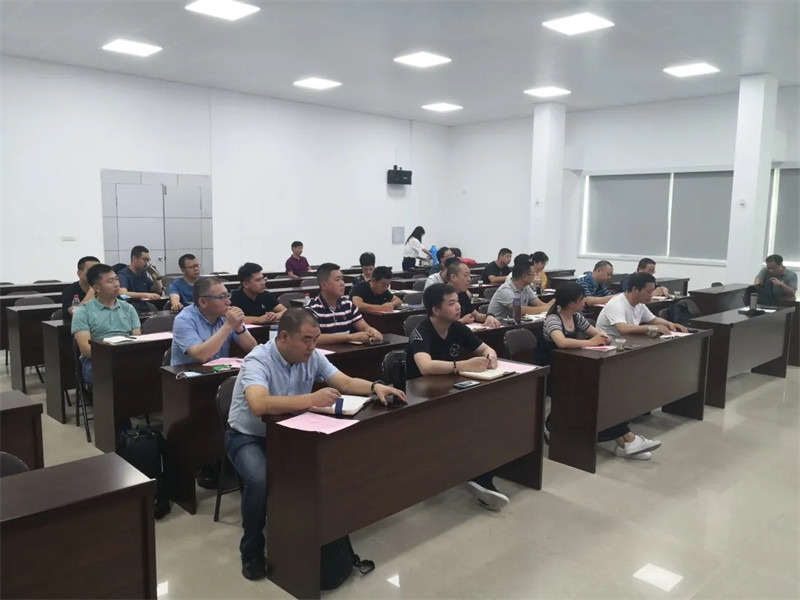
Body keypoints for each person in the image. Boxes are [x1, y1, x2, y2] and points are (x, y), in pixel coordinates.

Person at [225, 308, 406, 580]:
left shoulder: (312, 355)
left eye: (316, 339)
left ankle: (316, 538)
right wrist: (312, 399)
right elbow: (258, 404)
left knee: (329, 467)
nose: (312, 346)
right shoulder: (258, 360)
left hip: (292, 433)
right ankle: (251, 551)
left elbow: (345, 382)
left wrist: (375, 387)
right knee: (260, 480)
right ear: (283, 337)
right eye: (306, 340)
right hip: (247, 436)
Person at [406, 284, 507, 510]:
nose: (458, 307)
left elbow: (486, 348)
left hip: (449, 389)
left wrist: (490, 357)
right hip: (420, 396)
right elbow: (425, 366)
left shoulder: (457, 327)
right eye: (451, 303)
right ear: (436, 309)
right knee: (470, 422)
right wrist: (462, 365)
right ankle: (475, 475)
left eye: (458, 301)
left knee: (488, 415)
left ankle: (480, 475)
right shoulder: (422, 331)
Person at [540, 283, 662, 460]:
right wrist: (590, 343)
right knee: (595, 395)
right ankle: (627, 440)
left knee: (605, 392)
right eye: (581, 299)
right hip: (553, 372)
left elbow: (597, 333)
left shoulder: (576, 317)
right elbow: (562, 342)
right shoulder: (553, 319)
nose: (585, 302)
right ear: (570, 303)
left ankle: (626, 442)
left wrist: (604, 338)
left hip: (571, 369)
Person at [71, 264, 141, 385]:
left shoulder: (128, 308)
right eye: (110, 281)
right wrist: (111, 358)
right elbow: (85, 348)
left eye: (116, 279)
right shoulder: (83, 312)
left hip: (125, 355)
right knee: (115, 375)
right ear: (97, 288)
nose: (116, 284)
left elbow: (137, 337)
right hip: (96, 360)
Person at [171, 276, 258, 366]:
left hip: (221, 370)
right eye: (222, 297)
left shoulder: (226, 315)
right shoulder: (184, 319)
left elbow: (253, 349)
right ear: (203, 302)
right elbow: (200, 356)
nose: (228, 302)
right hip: (189, 373)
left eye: (227, 295)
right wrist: (228, 325)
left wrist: (239, 328)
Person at [306, 263, 383, 345]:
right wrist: (349, 337)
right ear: (324, 285)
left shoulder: (348, 305)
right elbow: (314, 338)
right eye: (337, 280)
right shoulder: (311, 309)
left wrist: (374, 332)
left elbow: (364, 327)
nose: (342, 283)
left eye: (342, 279)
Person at [596, 273, 688, 339]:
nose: (651, 295)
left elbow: (653, 320)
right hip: (610, 346)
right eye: (648, 291)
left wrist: (670, 324)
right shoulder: (616, 304)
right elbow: (623, 328)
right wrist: (652, 328)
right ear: (635, 289)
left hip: (627, 342)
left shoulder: (639, 304)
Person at [488, 259, 553, 319]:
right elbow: (519, 310)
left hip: (516, 323)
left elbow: (540, 304)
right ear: (524, 276)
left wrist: (552, 304)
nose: (535, 276)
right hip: (498, 324)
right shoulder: (506, 290)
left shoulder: (526, 288)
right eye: (533, 274)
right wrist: (545, 308)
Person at [446, 261, 501, 327]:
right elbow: (441, 325)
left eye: (469, 276)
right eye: (465, 276)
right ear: (453, 277)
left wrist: (489, 316)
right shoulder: (442, 295)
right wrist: (462, 321)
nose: (469, 279)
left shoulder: (462, 293)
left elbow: (476, 315)